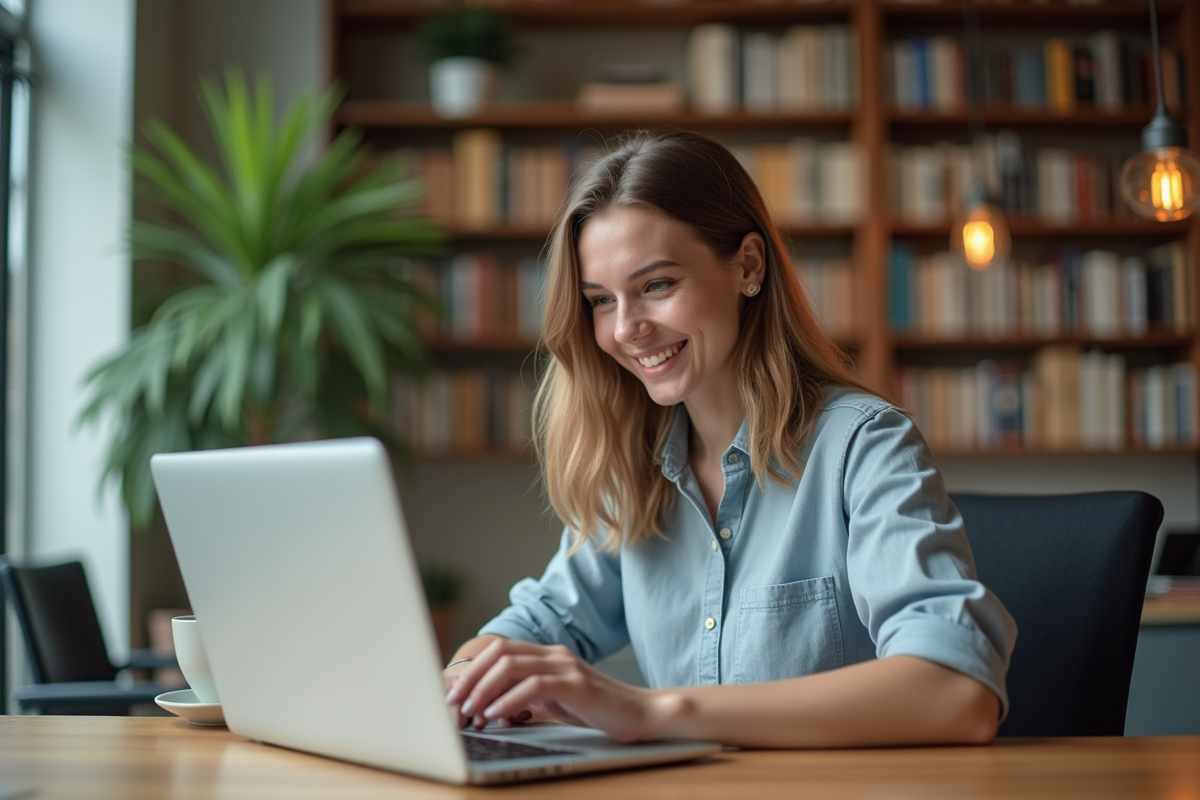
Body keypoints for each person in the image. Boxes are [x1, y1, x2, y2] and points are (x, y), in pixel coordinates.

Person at [443, 130, 1016, 748]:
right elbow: (537, 623)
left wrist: (650, 712)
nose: (627, 328)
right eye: (601, 301)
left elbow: (958, 693)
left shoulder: (863, 446)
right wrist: (460, 684)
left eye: (657, 285)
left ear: (748, 265)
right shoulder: (633, 466)